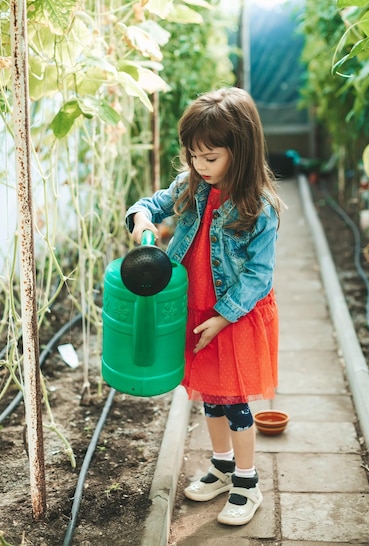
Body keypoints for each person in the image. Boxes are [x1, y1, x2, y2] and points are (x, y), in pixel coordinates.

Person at [125, 86, 283, 526]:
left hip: (233, 317)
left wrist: (223, 316)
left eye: (209, 158)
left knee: (235, 403)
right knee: (210, 399)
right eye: (193, 156)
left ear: (241, 150)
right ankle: (222, 465)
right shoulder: (192, 186)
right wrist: (141, 216)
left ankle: (248, 484)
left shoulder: (259, 207)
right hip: (197, 313)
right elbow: (151, 204)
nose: (199, 166)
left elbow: (258, 275)